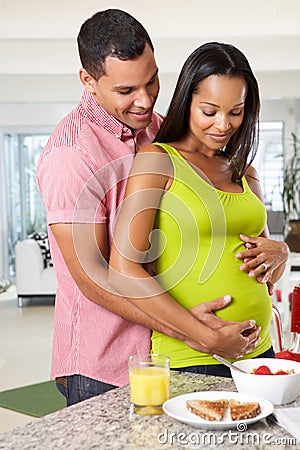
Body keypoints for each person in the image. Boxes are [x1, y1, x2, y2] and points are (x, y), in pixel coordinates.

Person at [36, 10, 287, 405]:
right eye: (126, 90)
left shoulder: (160, 128)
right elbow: (92, 275)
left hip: (175, 349)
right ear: (88, 80)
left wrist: (278, 250)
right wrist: (196, 333)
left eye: (151, 80)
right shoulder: (71, 154)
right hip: (105, 361)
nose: (145, 99)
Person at [109, 42, 288, 377]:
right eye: (210, 111)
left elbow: (264, 270)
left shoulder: (244, 171)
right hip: (194, 358)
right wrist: (207, 337)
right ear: (186, 102)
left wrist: (281, 252)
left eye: (235, 112)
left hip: (261, 353)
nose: (223, 125)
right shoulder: (158, 161)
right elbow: (123, 269)